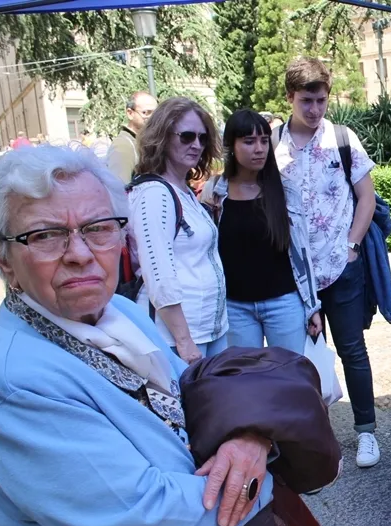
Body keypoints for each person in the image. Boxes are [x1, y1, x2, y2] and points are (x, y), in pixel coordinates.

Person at [0, 145, 274, 526]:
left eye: (98, 228)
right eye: (45, 235)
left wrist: (248, 438)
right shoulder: (14, 378)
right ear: (4, 261)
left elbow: (198, 400)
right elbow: (146, 519)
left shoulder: (117, 312)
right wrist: (263, 475)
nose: (80, 253)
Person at [273, 57, 382, 468]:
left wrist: (352, 245)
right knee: (301, 359)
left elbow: (366, 197)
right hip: (295, 274)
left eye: (321, 100)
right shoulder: (273, 144)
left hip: (342, 266)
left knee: (353, 349)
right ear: (290, 98)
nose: (315, 110)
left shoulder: (341, 137)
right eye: (306, 101)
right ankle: (316, 444)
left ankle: (366, 433)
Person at [201, 109, 323, 354]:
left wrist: (312, 306)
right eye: (249, 141)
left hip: (284, 303)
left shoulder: (285, 190)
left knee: (290, 378)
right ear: (231, 146)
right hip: (235, 307)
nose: (259, 148)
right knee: (246, 382)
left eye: (264, 141)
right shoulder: (215, 192)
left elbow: (302, 252)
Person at [128, 97, 228, 363]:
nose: (196, 144)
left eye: (202, 138)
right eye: (186, 136)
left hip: (208, 330)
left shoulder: (182, 190)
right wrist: (184, 342)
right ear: (162, 136)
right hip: (177, 339)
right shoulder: (154, 194)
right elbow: (158, 274)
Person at [106, 91, 158, 183]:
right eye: (146, 113)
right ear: (130, 113)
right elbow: (120, 189)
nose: (152, 118)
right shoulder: (123, 145)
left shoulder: (144, 142)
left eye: (156, 113)